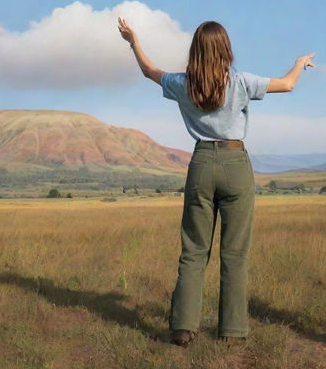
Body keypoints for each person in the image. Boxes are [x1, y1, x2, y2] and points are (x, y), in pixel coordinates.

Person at [117, 18, 315, 346]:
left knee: (194, 250)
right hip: (236, 163)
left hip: (201, 164)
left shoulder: (182, 83)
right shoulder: (241, 82)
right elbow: (288, 85)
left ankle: (183, 327)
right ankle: (233, 330)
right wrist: (298, 64)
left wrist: (132, 41)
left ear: (195, 50)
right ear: (226, 49)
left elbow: (149, 71)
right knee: (235, 252)